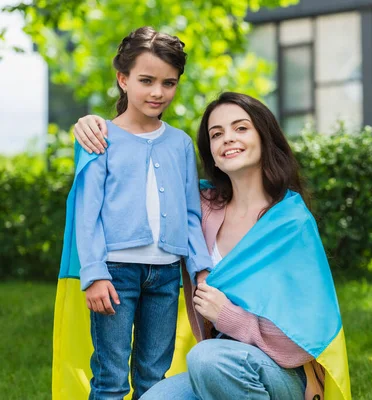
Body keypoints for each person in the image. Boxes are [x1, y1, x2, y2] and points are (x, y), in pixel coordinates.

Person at [72, 92, 352, 400]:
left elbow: (301, 341)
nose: (228, 139)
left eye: (241, 128)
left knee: (207, 357)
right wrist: (96, 126)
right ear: (211, 152)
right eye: (216, 134)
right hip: (215, 368)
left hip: (281, 372)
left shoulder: (290, 222)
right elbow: (140, 180)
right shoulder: (202, 208)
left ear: (264, 136)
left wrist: (227, 315)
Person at [55, 26, 212, 400]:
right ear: (123, 79)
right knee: (110, 377)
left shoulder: (180, 143)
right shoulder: (100, 137)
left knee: (155, 376)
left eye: (169, 83)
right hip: (115, 274)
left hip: (165, 276)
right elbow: (86, 212)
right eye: (146, 80)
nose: (158, 92)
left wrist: (200, 269)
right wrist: (93, 274)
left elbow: (191, 213)